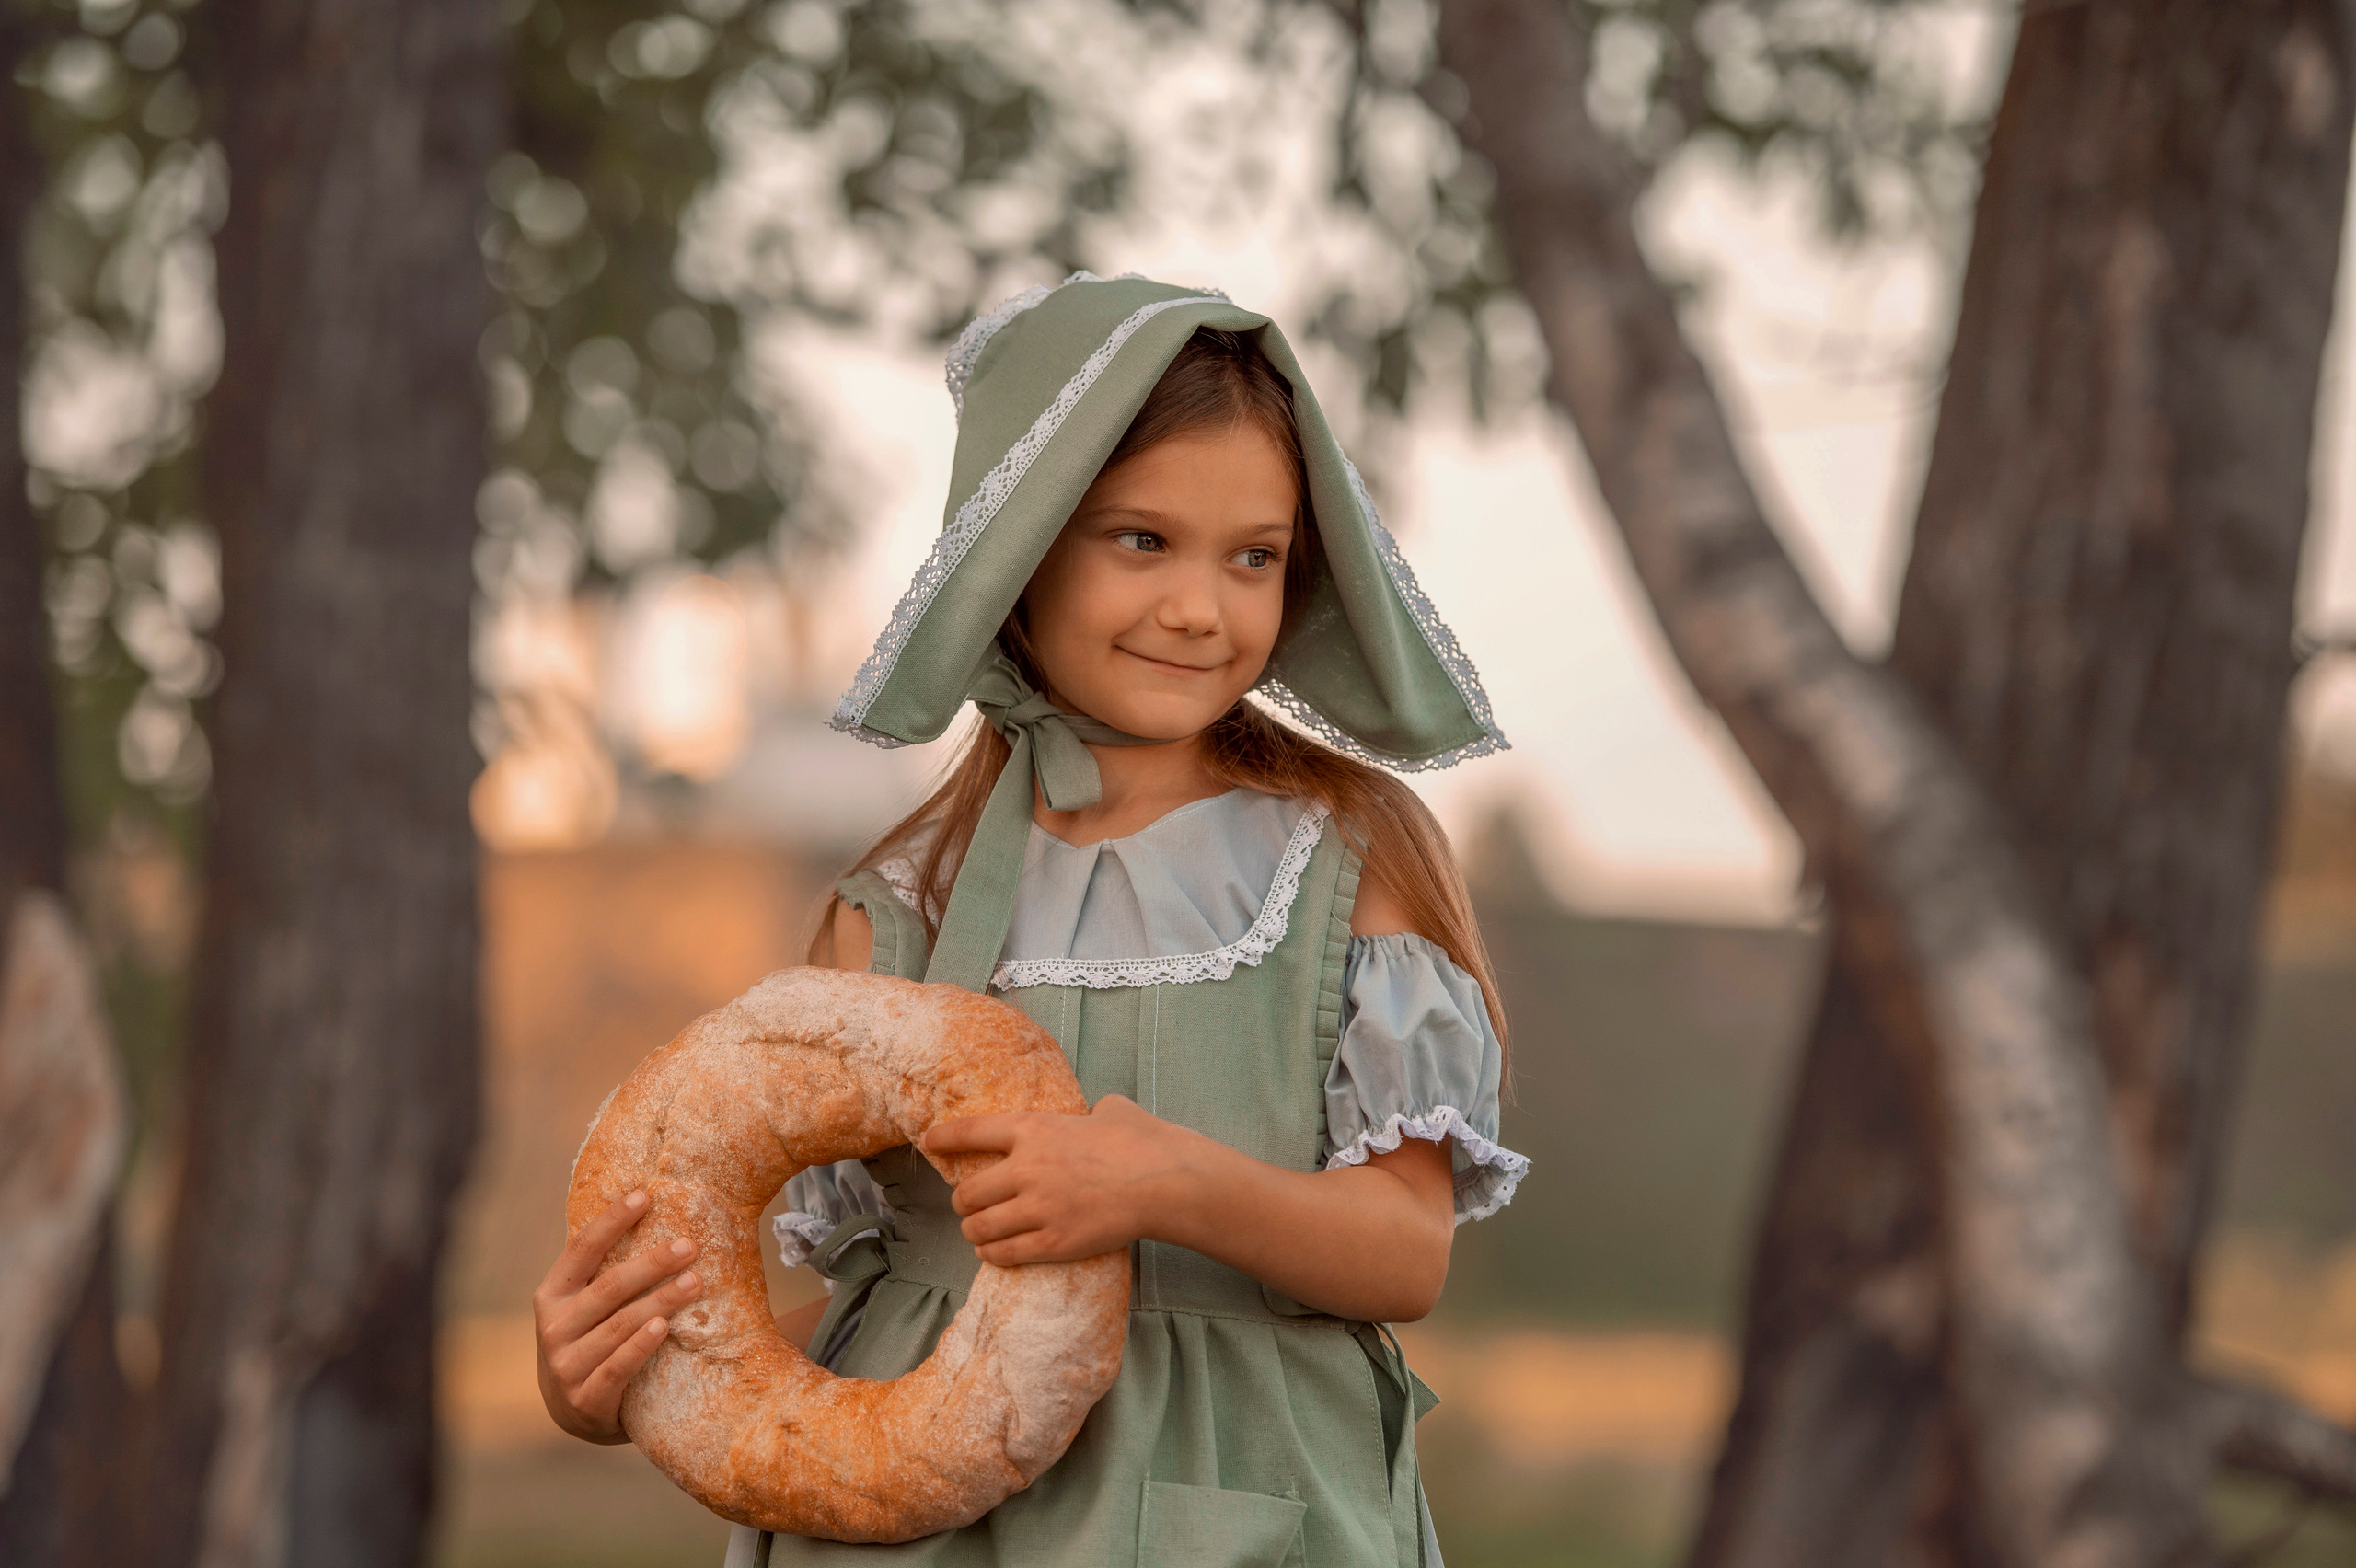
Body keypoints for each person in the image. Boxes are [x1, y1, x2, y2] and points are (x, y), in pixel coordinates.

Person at [533, 273, 1528, 1567]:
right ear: (1021, 549)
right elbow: (843, 1300)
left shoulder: (1345, 857)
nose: (1200, 606)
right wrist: (608, 1379)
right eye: (1140, 540)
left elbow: (1405, 1254)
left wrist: (1166, 1182)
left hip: (1239, 1502)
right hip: (910, 1534)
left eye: (1255, 557)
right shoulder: (900, 900)